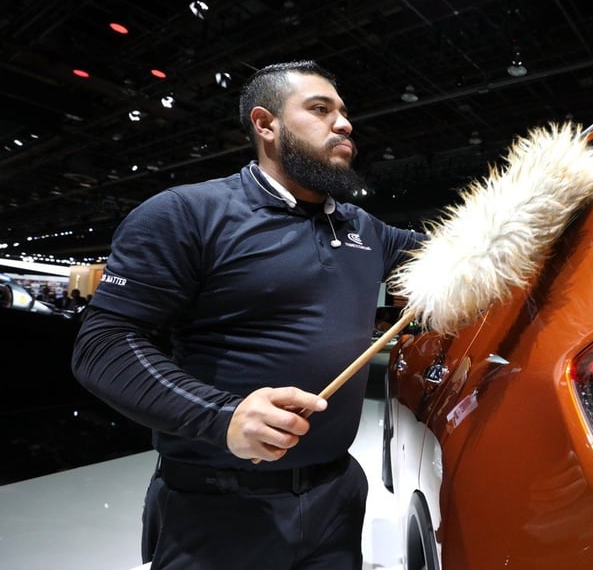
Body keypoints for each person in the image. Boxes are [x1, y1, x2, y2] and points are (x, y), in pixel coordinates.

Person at [72, 60, 426, 569]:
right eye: (321, 109)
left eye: (344, 112)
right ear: (266, 124)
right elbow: (102, 345)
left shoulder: (363, 227)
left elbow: (467, 253)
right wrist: (224, 415)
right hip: (219, 510)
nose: (344, 123)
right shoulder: (186, 213)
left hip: (338, 496)